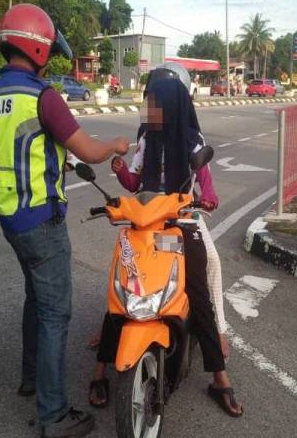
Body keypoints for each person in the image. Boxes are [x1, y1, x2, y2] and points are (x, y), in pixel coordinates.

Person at [0, 3, 129, 438]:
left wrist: (50, 161)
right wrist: (116, 144)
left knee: (35, 300)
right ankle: (53, 414)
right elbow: (88, 150)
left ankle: (31, 379)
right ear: (38, 49)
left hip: (10, 217)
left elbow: (15, 152)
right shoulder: (42, 97)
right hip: (42, 221)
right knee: (54, 314)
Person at [88, 75, 243, 418]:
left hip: (181, 222)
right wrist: (118, 170)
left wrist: (209, 198)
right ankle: (101, 369)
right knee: (123, 286)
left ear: (171, 106)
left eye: (154, 103)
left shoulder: (191, 138)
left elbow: (202, 176)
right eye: (147, 103)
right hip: (145, 222)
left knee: (198, 292)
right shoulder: (145, 137)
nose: (148, 110)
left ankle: (219, 377)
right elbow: (135, 180)